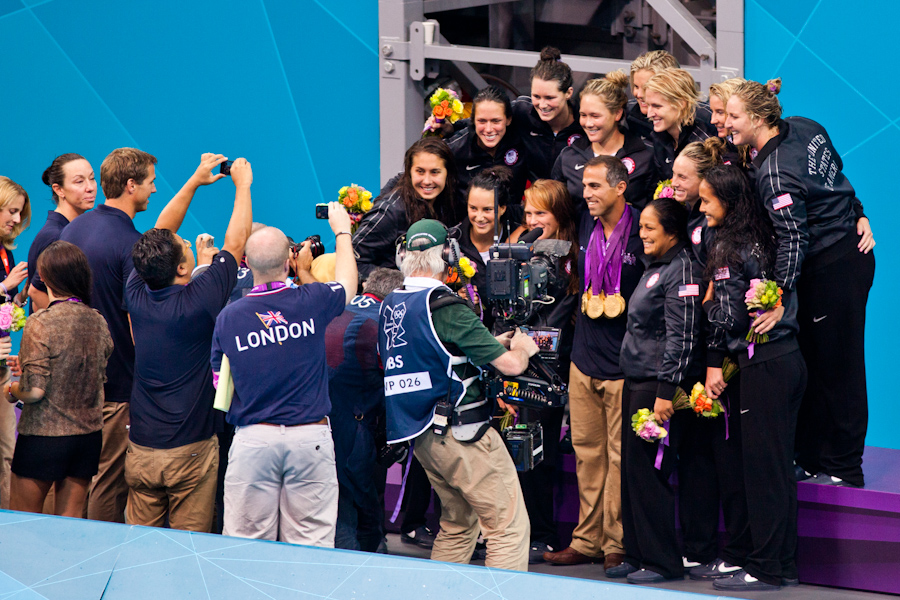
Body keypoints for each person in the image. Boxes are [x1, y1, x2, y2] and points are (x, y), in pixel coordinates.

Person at [60, 148, 229, 523]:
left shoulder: (74, 229)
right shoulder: (126, 246)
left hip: (74, 381)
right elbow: (160, 237)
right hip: (118, 387)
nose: (154, 190)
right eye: (151, 183)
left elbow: (44, 293)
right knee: (108, 482)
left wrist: (194, 182)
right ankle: (102, 563)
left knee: (80, 479)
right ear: (131, 184)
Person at [726, 79, 875, 488]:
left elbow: (794, 240)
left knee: (839, 367)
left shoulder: (773, 174)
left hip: (832, 270)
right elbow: (835, 176)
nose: (726, 124)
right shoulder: (807, 124)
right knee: (817, 361)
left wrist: (778, 296)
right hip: (849, 253)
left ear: (758, 118)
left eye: (734, 116)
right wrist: (858, 212)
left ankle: (845, 466)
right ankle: (812, 456)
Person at [379, 218, 539, 571]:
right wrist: (524, 348)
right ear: (448, 256)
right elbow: (511, 365)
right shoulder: (447, 307)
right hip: (464, 435)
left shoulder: (393, 302)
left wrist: (489, 346)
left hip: (422, 436)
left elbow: (437, 354)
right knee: (507, 528)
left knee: (457, 525)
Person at [211, 204, 357, 546]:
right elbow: (348, 283)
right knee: (311, 547)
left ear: (246, 262)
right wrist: (342, 231)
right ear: (291, 260)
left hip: (253, 440)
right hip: (310, 438)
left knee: (245, 548)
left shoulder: (228, 318)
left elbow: (221, 386)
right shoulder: (313, 300)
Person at [123, 158, 253, 532]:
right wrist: (241, 185)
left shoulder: (136, 288)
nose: (184, 240)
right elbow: (236, 243)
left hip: (141, 449)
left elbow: (160, 231)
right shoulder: (199, 301)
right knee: (189, 551)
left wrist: (194, 181)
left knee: (140, 546)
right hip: (190, 452)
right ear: (182, 269)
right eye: (184, 246)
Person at [699, 165, 806, 591]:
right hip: (788, 361)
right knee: (778, 470)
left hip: (763, 366)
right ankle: (782, 563)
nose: (701, 207)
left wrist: (706, 304)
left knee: (763, 473)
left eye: (707, 200)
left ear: (728, 201)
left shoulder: (729, 247)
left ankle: (764, 568)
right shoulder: (764, 238)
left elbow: (729, 315)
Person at [543, 157, 644, 574]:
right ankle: (586, 540)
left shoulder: (642, 228)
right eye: (585, 186)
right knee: (588, 454)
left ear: (621, 188)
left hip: (623, 362)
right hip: (584, 358)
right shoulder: (585, 223)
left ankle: (616, 543)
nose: (587, 194)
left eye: (597, 186)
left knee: (620, 457)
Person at [669, 138, 753, 577]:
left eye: (684, 178)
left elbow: (722, 301)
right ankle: (699, 546)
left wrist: (715, 360)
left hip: (719, 357)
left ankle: (727, 549)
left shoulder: (729, 235)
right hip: (691, 352)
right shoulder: (688, 219)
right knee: (697, 454)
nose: (674, 184)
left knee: (719, 454)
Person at [615, 197, 702, 584]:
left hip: (657, 387)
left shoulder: (682, 270)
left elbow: (681, 338)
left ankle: (663, 562)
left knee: (651, 473)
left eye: (650, 228)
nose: (642, 234)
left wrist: (666, 391)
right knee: (633, 472)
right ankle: (636, 554)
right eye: (642, 226)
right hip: (637, 380)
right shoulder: (658, 266)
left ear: (672, 231)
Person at [5, 241, 113, 518]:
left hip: (43, 439)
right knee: (70, 526)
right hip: (87, 439)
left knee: (23, 525)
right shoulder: (98, 321)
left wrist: (13, 390)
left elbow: (34, 391)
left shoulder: (40, 322)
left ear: (47, 278)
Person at [504, 179, 579, 563]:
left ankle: (547, 533)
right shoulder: (521, 253)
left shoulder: (569, 259)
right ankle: (526, 530)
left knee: (542, 452)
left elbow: (556, 320)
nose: (532, 221)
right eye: (528, 213)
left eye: (541, 214)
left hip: (553, 369)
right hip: (520, 364)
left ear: (559, 216)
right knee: (522, 448)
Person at [324, 267, 404, 552]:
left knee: (338, 503)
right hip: (358, 427)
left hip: (318, 422)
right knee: (360, 508)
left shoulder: (334, 308)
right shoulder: (387, 323)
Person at [428, 47, 584, 179]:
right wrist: (453, 127)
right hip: (537, 203)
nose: (542, 105)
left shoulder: (584, 122)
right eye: (536, 96)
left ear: (568, 93)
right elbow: (490, 117)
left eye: (550, 97)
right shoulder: (523, 111)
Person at [353, 138, 458, 281]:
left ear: (447, 173)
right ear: (409, 172)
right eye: (420, 171)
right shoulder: (391, 211)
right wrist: (399, 283)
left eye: (435, 172)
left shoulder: (446, 200)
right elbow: (351, 260)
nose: (427, 181)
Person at [552, 72, 656, 212]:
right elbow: (555, 208)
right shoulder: (569, 157)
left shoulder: (645, 157)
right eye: (583, 115)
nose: (588, 123)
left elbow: (655, 212)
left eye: (595, 116)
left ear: (617, 114)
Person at [29, 154, 97, 312]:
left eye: (92, 178)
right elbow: (36, 292)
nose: (90, 187)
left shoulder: (69, 230)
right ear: (58, 189)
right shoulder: (56, 236)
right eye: (79, 181)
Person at [446, 86, 532, 211]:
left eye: (496, 121)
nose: (488, 129)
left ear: (508, 120)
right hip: (467, 225)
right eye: (482, 121)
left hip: (513, 223)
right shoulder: (455, 148)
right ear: (473, 120)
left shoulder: (521, 138)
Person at [455, 166, 520, 324]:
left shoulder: (519, 238)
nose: (479, 217)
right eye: (473, 208)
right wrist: (457, 296)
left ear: (503, 208)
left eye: (487, 210)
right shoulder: (452, 242)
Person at [0, 176, 30, 511]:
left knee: (9, 452)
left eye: (20, 213)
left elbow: (6, 311)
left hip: (2, 371)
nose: (16, 220)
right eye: (10, 211)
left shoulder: (7, 253)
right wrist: (4, 285)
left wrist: (17, 299)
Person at [643, 68, 717, 180]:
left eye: (657, 106)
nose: (649, 114)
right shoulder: (659, 137)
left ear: (681, 104)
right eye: (648, 105)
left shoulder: (704, 143)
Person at [626, 51, 679, 138]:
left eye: (646, 88)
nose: (639, 95)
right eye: (636, 86)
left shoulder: (704, 120)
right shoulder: (626, 114)